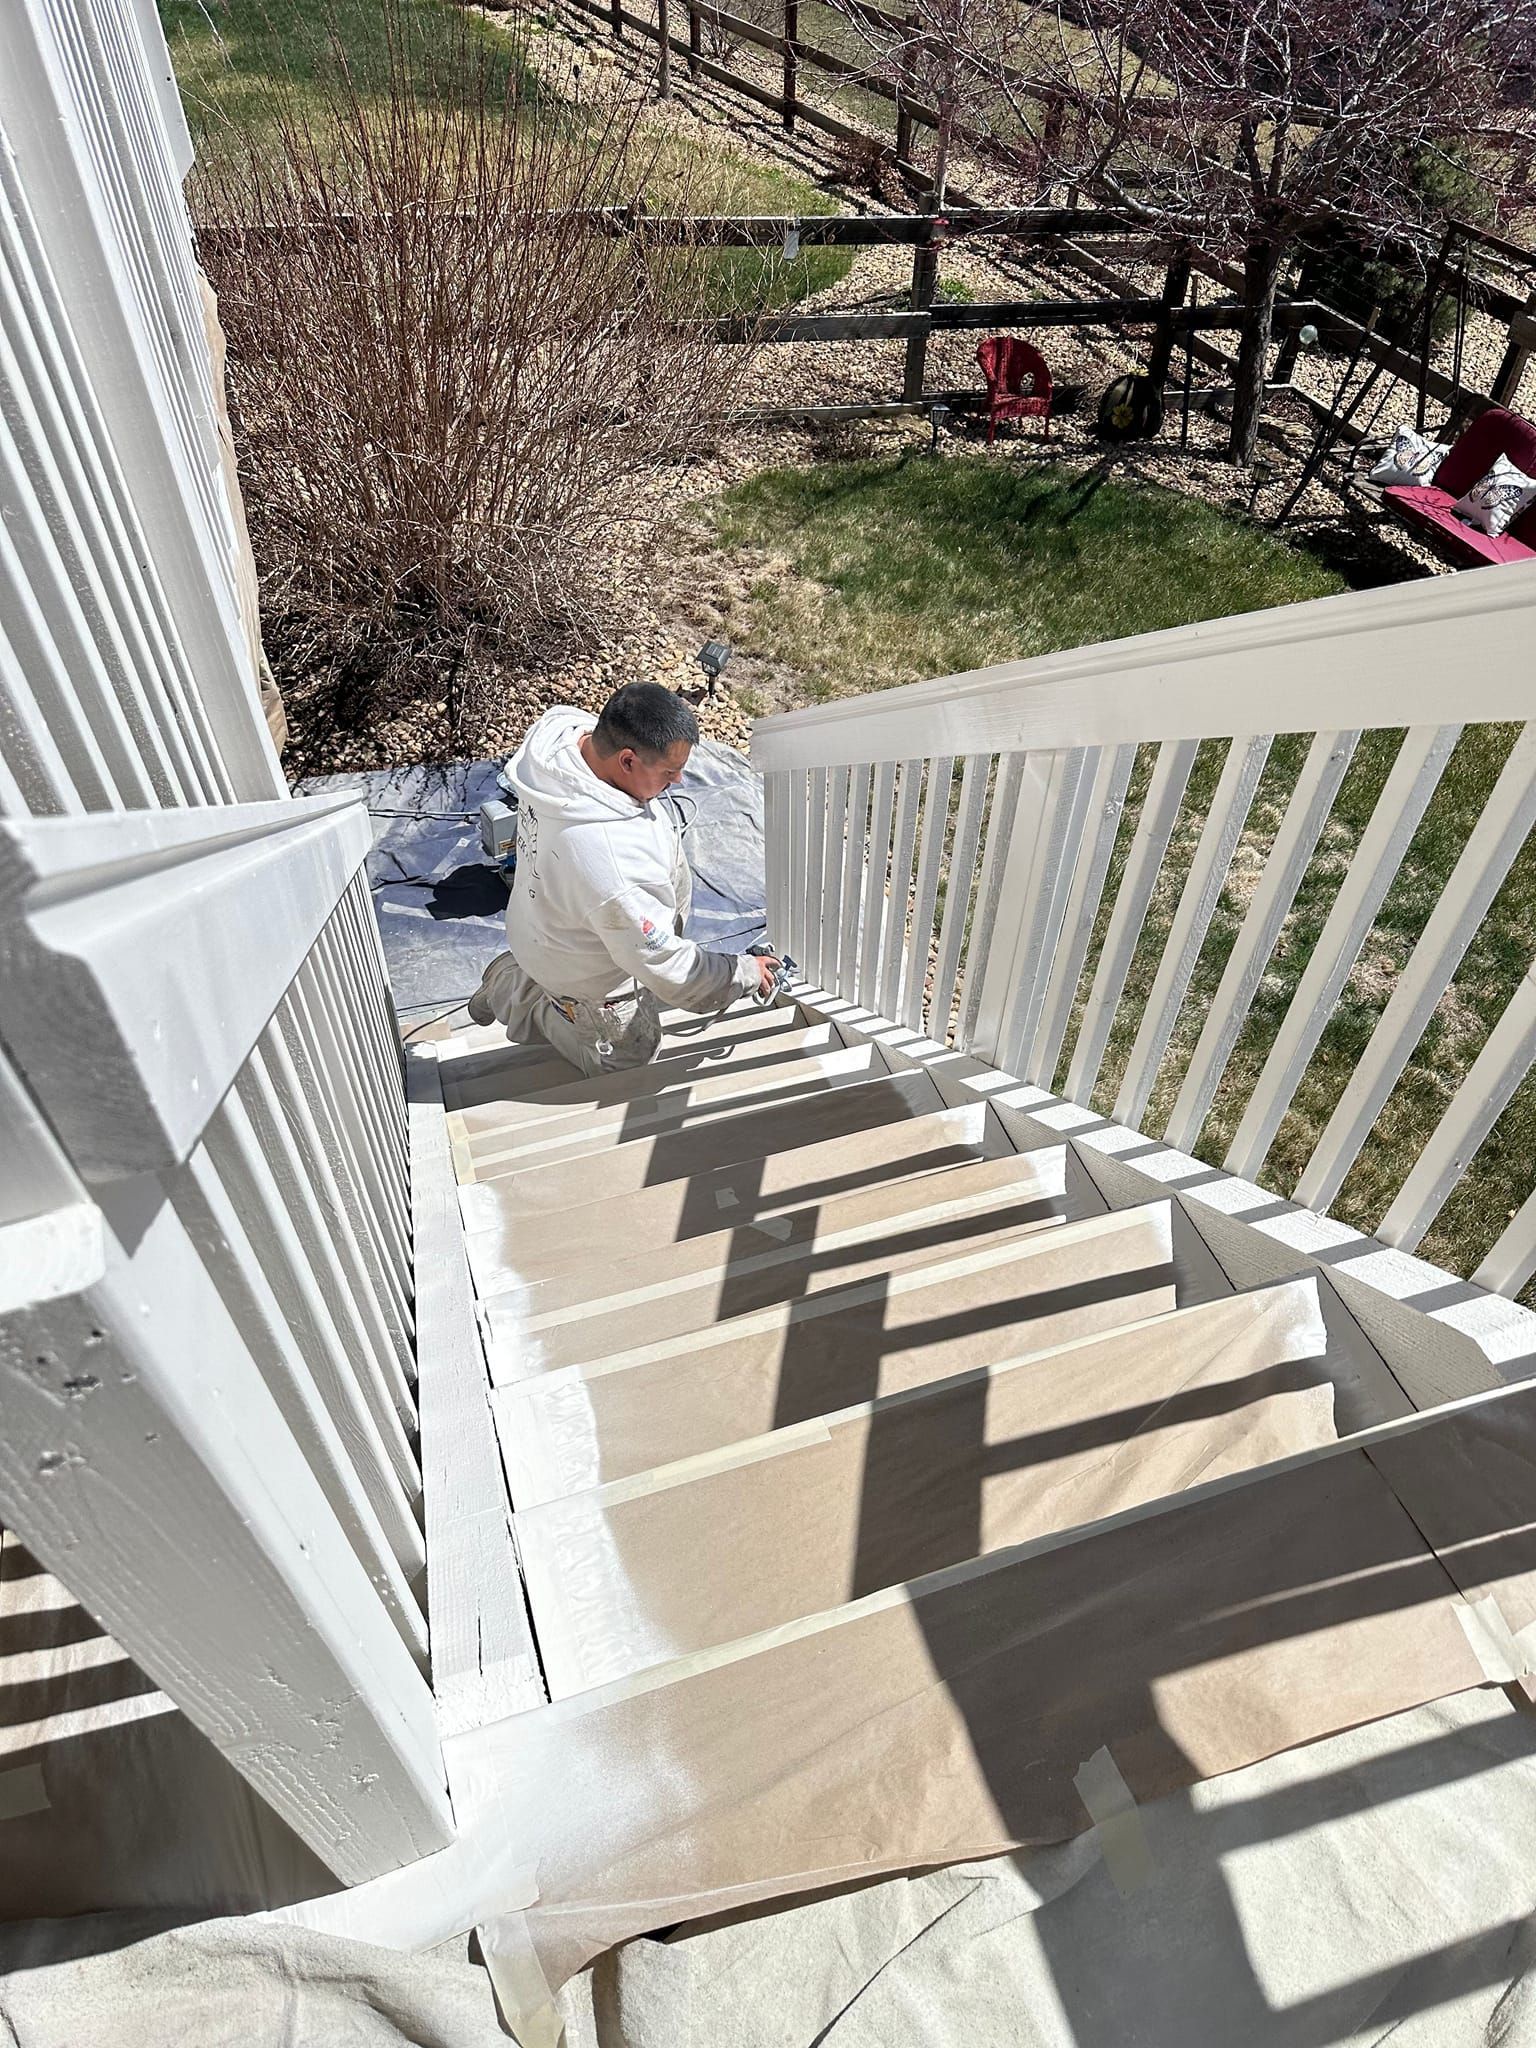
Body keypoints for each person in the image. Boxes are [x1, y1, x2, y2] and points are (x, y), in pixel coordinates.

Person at [466, 684, 780, 1076]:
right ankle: (513, 992)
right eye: (668, 771)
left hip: (550, 921)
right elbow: (674, 972)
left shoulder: (563, 736)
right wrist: (745, 973)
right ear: (628, 760)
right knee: (630, 1056)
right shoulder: (611, 862)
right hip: (583, 976)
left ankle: (524, 974)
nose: (680, 780)